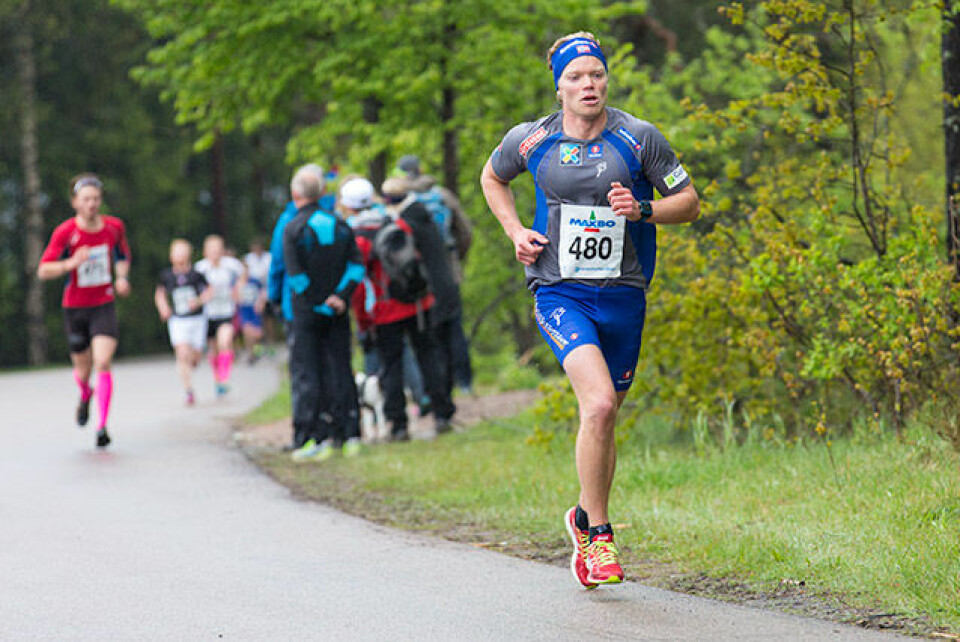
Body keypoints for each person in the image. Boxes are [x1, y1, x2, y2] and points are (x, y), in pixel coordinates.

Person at [480, 32, 700, 588]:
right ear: (559, 87)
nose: (588, 85)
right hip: (560, 291)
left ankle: (581, 516)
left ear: (607, 81)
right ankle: (600, 537)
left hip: (624, 295)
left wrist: (644, 208)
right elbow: (492, 177)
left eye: (596, 75)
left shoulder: (639, 138)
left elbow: (690, 203)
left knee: (606, 417)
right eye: (576, 77)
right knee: (598, 405)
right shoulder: (531, 141)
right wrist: (515, 232)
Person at [343, 177, 455, 441]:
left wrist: (362, 321)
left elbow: (359, 285)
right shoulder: (395, 222)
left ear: (348, 206)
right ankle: (442, 414)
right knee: (427, 355)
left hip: (383, 311)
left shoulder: (356, 238)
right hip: (417, 302)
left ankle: (399, 424)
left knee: (391, 365)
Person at [37, 173, 131, 449]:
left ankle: (102, 426)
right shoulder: (65, 233)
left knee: (102, 362)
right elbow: (44, 270)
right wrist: (71, 264)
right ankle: (85, 393)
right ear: (75, 202)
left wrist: (122, 278)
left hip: (103, 304)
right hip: (75, 307)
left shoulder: (114, 227)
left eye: (96, 199)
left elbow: (123, 256)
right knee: (83, 369)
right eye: (86, 199)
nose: (92, 204)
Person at [283, 166, 365, 461]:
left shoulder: (292, 229)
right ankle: (350, 434)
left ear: (295, 195)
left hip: (307, 313)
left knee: (309, 373)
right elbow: (356, 266)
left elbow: (295, 277)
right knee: (342, 369)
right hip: (338, 312)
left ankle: (315, 438)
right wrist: (339, 298)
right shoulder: (340, 224)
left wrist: (317, 303)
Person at [267, 163, 334, 451]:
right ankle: (332, 429)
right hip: (332, 305)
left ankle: (305, 434)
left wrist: (273, 298)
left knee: (303, 372)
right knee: (329, 367)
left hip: (297, 306)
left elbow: (279, 265)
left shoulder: (288, 221)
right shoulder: (333, 216)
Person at [397, 155, 475, 394]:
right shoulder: (442, 196)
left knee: (428, 330)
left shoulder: (403, 203)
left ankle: (437, 386)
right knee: (454, 326)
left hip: (419, 274)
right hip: (449, 268)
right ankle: (465, 382)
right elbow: (465, 231)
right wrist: (456, 257)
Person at [155, 239, 211, 405]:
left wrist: (199, 301)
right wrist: (163, 308)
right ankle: (188, 390)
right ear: (171, 256)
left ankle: (195, 359)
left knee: (194, 357)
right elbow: (160, 294)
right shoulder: (167, 276)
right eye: (176, 252)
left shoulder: (196, 275)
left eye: (182, 252)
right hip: (178, 320)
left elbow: (209, 291)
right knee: (182, 354)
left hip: (197, 319)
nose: (179, 256)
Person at [195, 234, 244, 397]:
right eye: (211, 250)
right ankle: (217, 379)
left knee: (225, 342)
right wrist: (200, 299)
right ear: (205, 252)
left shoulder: (231, 265)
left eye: (218, 250)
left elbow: (243, 274)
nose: (215, 253)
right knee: (213, 349)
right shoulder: (200, 268)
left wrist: (238, 288)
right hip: (208, 314)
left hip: (226, 311)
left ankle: (224, 378)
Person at [239, 238, 270, 363]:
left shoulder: (254, 281)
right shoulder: (237, 283)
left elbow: (262, 291)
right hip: (244, 310)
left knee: (257, 333)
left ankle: (256, 350)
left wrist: (261, 302)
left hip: (254, 309)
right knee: (247, 331)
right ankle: (250, 353)